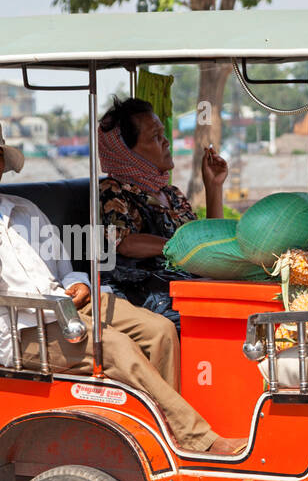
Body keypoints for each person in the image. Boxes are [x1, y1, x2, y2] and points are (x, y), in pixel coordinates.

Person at [0, 113, 244, 456]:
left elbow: (63, 269)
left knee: (160, 331)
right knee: (117, 348)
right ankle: (196, 439)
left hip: (66, 305)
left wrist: (77, 283)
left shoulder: (23, 208)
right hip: (21, 329)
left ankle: (162, 436)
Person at [97, 96, 228, 326]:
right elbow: (123, 242)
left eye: (163, 134)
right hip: (150, 297)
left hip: (189, 287)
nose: (166, 142)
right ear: (128, 153)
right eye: (155, 137)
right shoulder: (113, 190)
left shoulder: (171, 194)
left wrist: (214, 186)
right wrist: (181, 247)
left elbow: (209, 241)